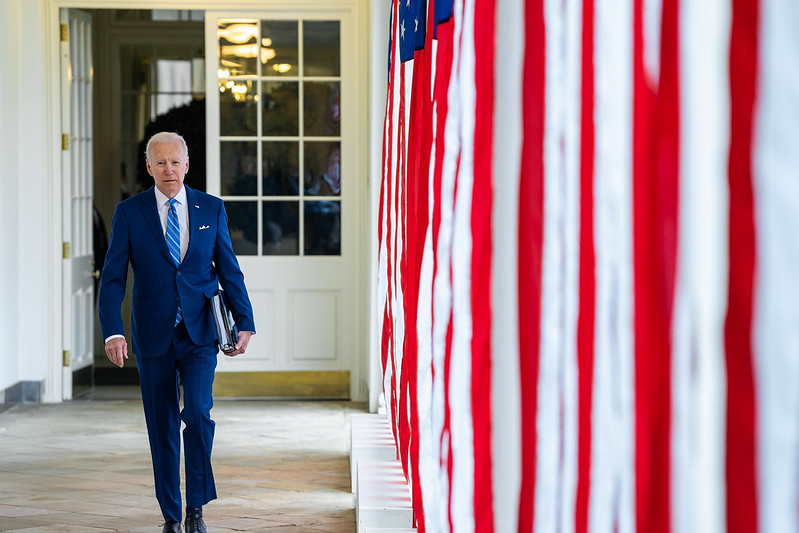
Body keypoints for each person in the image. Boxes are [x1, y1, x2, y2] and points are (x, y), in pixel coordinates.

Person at [99, 132, 255, 533]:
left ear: (187, 165)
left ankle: (196, 509)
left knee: (199, 415)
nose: (168, 170)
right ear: (148, 167)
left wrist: (245, 321)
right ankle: (171, 514)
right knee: (162, 425)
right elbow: (113, 279)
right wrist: (113, 332)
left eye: (175, 162)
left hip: (200, 332)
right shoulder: (129, 213)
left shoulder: (211, 208)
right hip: (152, 335)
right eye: (160, 163)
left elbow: (229, 268)